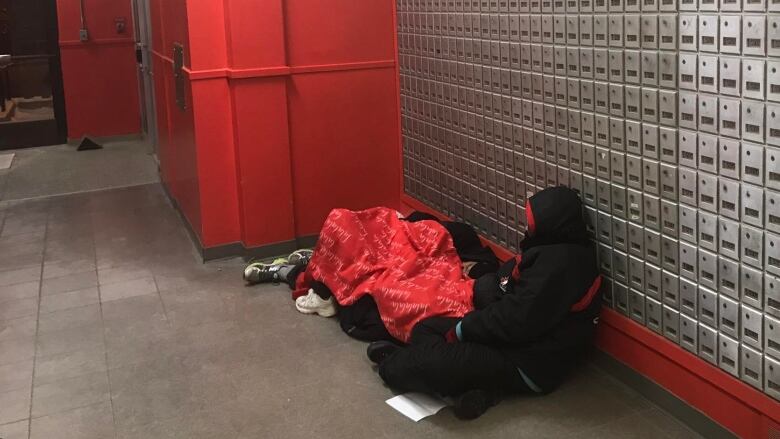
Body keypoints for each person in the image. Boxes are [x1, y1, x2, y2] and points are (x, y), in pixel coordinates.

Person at [366, 186, 602, 420]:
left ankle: (395, 362)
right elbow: (507, 294)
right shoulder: (551, 251)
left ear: (551, 221)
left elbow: (515, 321)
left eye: (531, 220)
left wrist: (464, 329)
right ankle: (484, 389)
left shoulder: (561, 266)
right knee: (425, 328)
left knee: (423, 364)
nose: (528, 226)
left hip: (529, 363)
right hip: (511, 343)